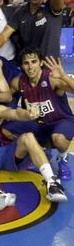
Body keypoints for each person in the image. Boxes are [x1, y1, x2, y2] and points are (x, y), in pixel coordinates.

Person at [0, 84, 67, 211]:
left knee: (28, 137)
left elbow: (13, 113)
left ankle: (52, 183)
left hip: (5, 153)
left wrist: (28, 114)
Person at [5, 48, 74, 180]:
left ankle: (62, 159)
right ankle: (38, 151)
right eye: (26, 63)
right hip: (39, 124)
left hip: (61, 121)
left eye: (34, 61)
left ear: (41, 63)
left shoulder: (51, 78)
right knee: (6, 129)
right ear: (22, 65)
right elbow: (6, 96)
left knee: (58, 139)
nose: (30, 66)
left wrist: (64, 76)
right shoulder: (18, 82)